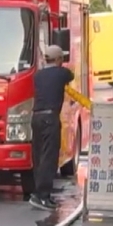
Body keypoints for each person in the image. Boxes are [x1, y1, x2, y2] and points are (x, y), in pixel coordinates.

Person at [30, 44, 74, 211]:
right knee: (49, 157)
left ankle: (37, 193)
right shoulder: (62, 73)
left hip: (36, 118)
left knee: (39, 156)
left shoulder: (38, 75)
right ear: (58, 60)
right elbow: (71, 75)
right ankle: (43, 196)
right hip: (50, 118)